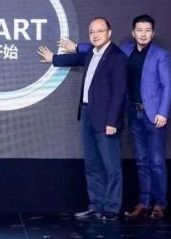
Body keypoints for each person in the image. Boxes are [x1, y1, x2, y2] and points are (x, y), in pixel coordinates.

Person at [59, 14, 171, 221]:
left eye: (147, 30)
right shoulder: (126, 51)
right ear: (133, 33)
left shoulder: (160, 54)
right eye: (139, 30)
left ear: (153, 33)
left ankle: (159, 205)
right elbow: (97, 47)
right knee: (141, 162)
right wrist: (75, 47)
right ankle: (143, 203)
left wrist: (162, 112)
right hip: (134, 113)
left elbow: (167, 85)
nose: (143, 34)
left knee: (156, 161)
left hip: (153, 115)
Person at [38, 17, 127, 221]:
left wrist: (112, 121)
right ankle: (96, 205)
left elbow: (119, 93)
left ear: (109, 33)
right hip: (87, 114)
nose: (95, 35)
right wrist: (54, 58)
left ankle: (111, 208)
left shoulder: (117, 57)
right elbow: (75, 58)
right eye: (92, 32)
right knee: (93, 164)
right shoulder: (91, 53)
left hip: (106, 119)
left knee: (111, 167)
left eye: (100, 31)